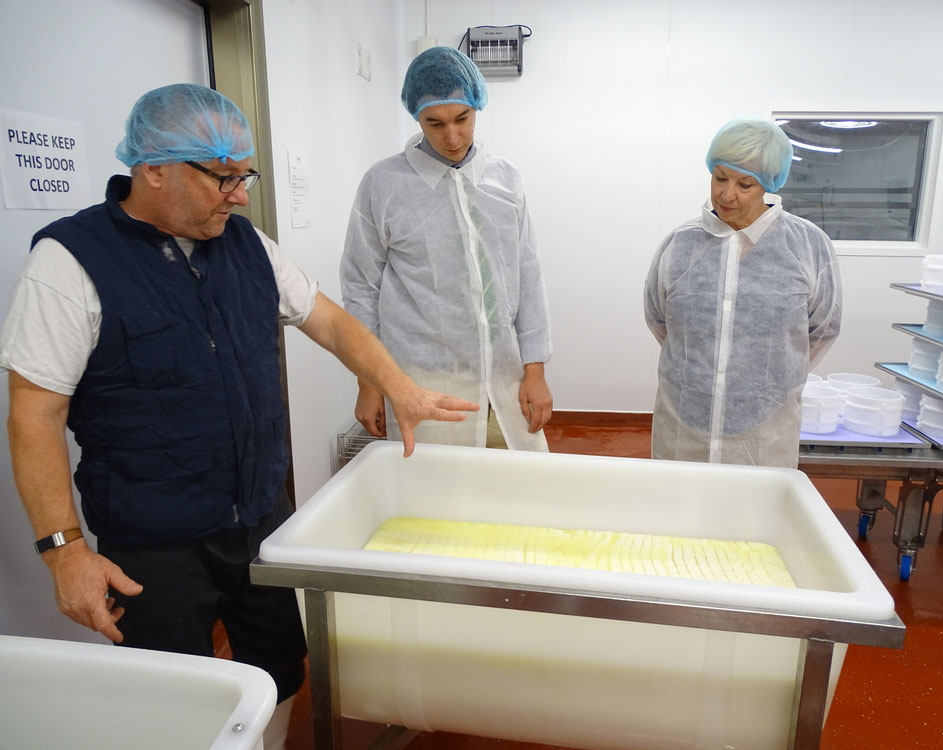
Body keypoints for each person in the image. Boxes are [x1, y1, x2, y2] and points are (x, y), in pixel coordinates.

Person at [0, 83, 478, 749]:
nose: (241, 193)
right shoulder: (69, 262)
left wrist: (397, 386)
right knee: (172, 694)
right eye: (224, 177)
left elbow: (332, 323)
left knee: (280, 667)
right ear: (154, 170)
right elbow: (33, 416)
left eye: (243, 175)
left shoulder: (248, 245)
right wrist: (65, 552)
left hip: (261, 517)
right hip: (154, 539)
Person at [341, 46, 553, 451]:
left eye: (463, 119)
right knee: (435, 500)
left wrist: (535, 369)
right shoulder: (384, 184)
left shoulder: (504, 179)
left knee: (520, 491)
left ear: (477, 108)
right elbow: (361, 288)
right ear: (417, 118)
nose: (452, 137)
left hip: (504, 374)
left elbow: (527, 274)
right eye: (434, 123)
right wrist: (368, 382)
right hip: (421, 379)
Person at [644, 118, 842, 468]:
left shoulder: (807, 245)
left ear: (768, 185)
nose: (726, 194)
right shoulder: (680, 244)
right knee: (680, 513)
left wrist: (766, 379)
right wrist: (705, 368)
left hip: (765, 434)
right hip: (684, 427)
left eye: (745, 184)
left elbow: (822, 328)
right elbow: (660, 319)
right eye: (720, 178)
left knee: (753, 518)